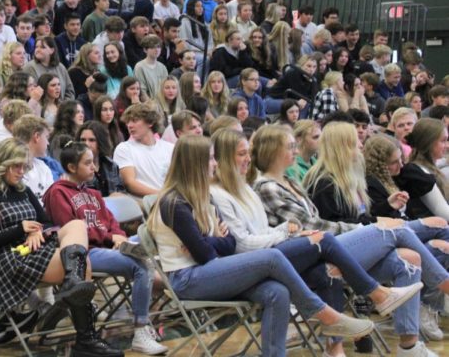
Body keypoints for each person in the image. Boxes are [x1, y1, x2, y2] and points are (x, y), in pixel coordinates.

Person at [148, 134, 373, 357]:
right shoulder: (173, 202)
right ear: (193, 163)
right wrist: (210, 241)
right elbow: (204, 254)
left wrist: (206, 240)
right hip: (187, 279)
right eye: (210, 158)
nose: (215, 163)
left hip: (211, 270)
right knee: (272, 257)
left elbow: (229, 243)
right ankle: (323, 312)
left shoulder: (203, 196)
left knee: (277, 291)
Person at [210, 128, 419, 357]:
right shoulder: (230, 192)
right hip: (257, 261)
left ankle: (335, 349)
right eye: (241, 154)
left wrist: (289, 231)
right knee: (364, 234)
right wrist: (286, 234)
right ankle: (378, 294)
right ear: (223, 158)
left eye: (247, 153)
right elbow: (243, 244)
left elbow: (266, 230)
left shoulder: (248, 189)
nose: (248, 158)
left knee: (328, 269)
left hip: (277, 252)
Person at [252, 124, 448, 355]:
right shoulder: (274, 187)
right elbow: (314, 227)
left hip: (335, 250)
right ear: (273, 151)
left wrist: (375, 221)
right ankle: (444, 283)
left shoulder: (292, 183)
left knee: (410, 258)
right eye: (291, 146)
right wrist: (371, 227)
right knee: (400, 230)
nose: (296, 151)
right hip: (312, 258)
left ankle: (409, 346)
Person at [0, 138, 121, 355]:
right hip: (8, 257)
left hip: (35, 249)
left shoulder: (23, 190)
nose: (21, 171)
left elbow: (48, 223)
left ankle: (72, 287)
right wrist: (19, 229)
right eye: (16, 166)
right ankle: (85, 338)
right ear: (1, 163)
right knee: (83, 265)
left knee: (76, 225)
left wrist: (38, 231)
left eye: (24, 166)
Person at [45, 143, 167, 355]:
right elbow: (73, 231)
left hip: (109, 245)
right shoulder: (57, 192)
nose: (94, 167)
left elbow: (111, 222)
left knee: (155, 233)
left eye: (93, 161)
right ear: (72, 167)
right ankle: (140, 330)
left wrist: (118, 236)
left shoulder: (93, 193)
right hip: (88, 253)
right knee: (142, 265)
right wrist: (112, 238)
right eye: (88, 163)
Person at [114, 104, 173, 197]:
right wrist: (161, 195)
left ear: (150, 123)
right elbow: (130, 183)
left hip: (170, 200)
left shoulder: (170, 148)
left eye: (134, 121)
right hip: (142, 202)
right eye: (127, 122)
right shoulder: (124, 149)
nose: (129, 125)